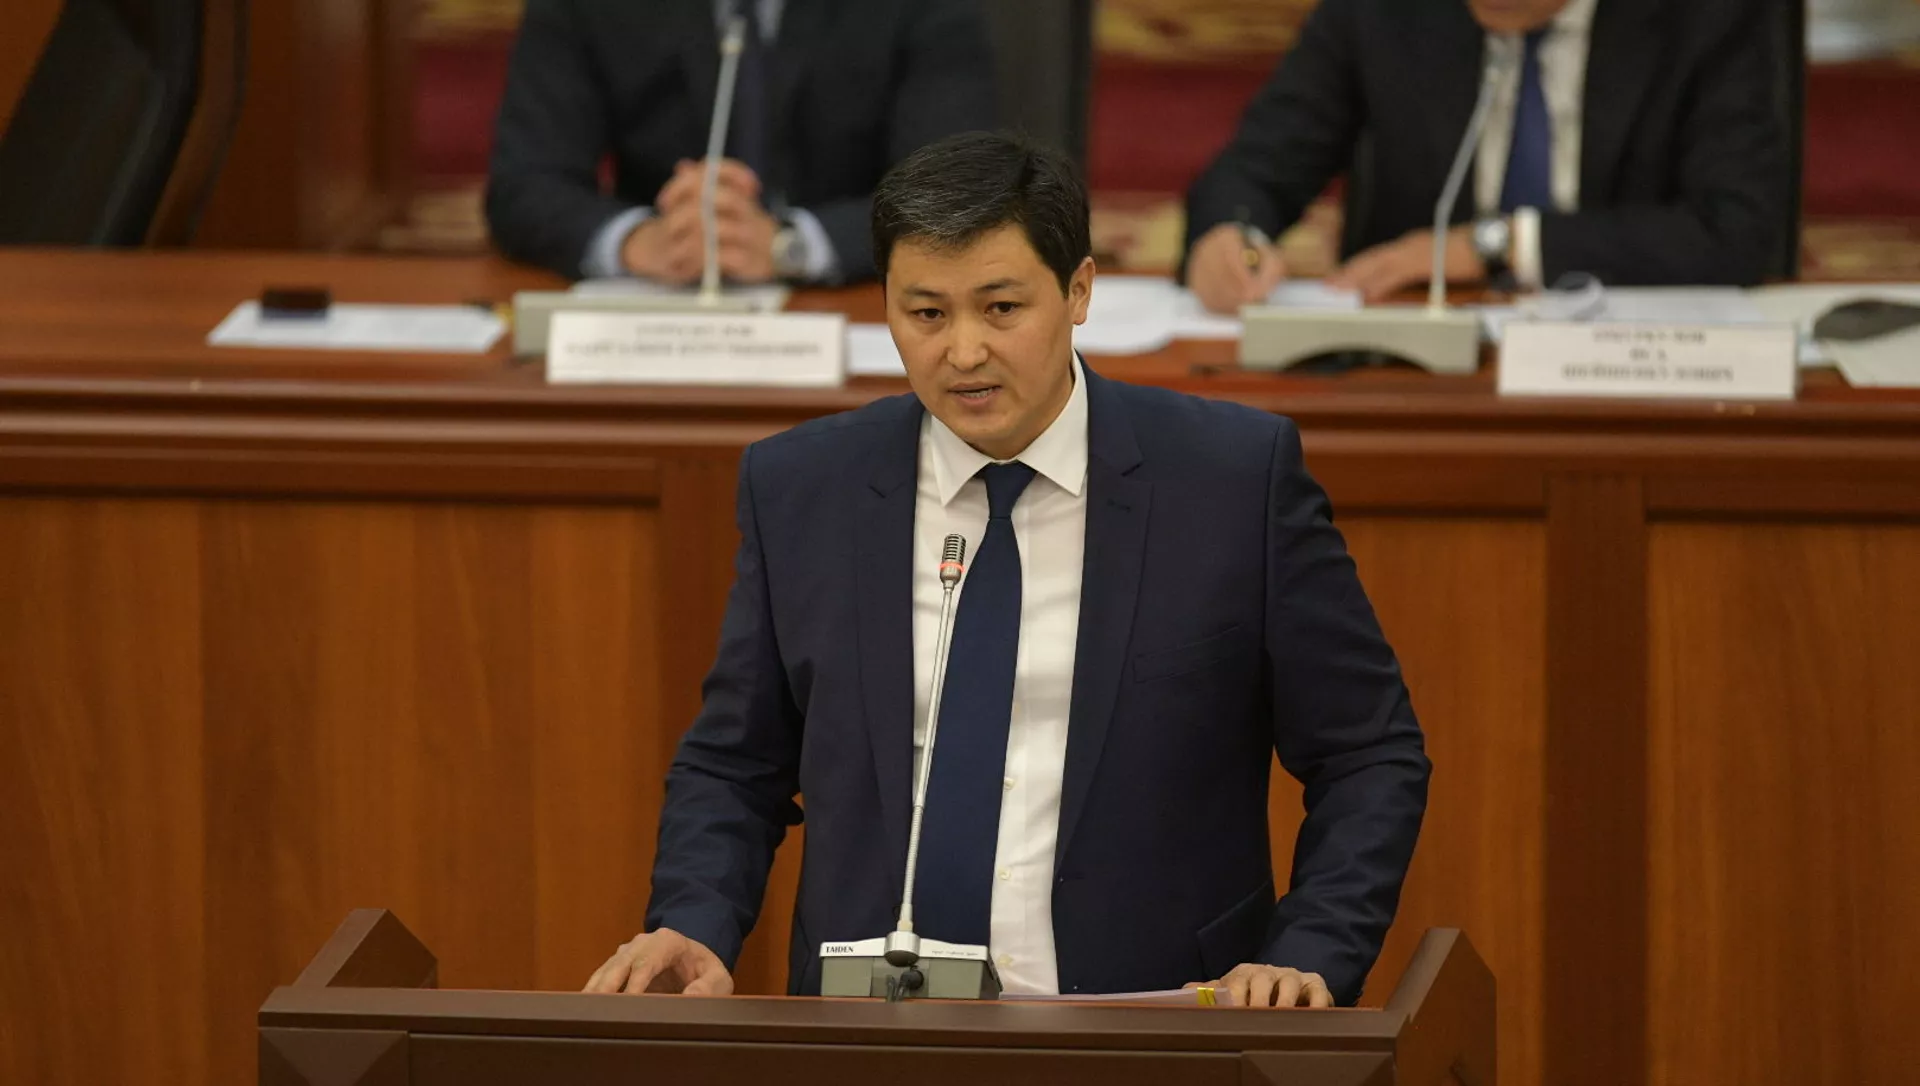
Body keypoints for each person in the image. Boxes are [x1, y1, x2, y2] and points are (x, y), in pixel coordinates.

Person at [585, 132, 1430, 1009]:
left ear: (1079, 290)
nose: (963, 353)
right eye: (926, 314)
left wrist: (1309, 953)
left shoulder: (1230, 482)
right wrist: (693, 919)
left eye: (1000, 308)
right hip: (875, 1034)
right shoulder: (804, 489)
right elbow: (735, 765)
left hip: (1157, 1025)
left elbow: (1369, 753)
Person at [1183, 0, 1791, 310]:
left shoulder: (1708, 13)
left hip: (1632, 364)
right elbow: (1256, 164)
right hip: (1414, 368)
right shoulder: (1381, 9)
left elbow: (1736, 228)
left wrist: (1495, 245)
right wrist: (1229, 233)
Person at [485, 0, 997, 283]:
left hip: (857, 304)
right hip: (661, 310)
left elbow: (953, 190)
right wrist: (637, 240)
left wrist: (790, 246)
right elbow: (523, 184)